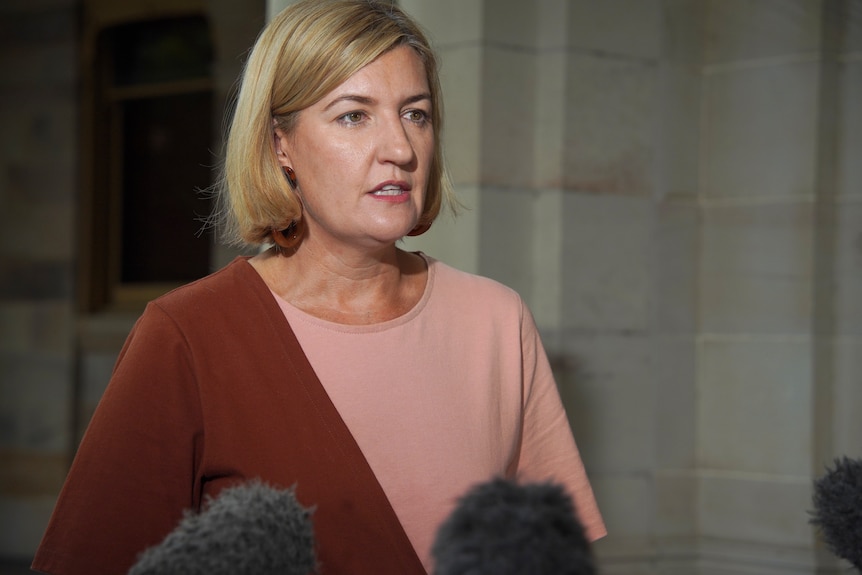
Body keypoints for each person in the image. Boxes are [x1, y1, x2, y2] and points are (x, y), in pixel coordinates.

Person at [31, 1, 605, 574]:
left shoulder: (497, 322)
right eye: (354, 115)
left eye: (416, 114)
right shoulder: (187, 337)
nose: (401, 149)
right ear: (281, 145)